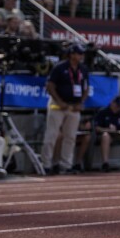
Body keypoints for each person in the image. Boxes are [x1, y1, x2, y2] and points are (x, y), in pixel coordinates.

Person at [43, 43, 90, 174]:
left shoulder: (83, 69)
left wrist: (81, 102)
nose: (81, 56)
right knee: (52, 134)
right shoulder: (60, 67)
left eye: (82, 54)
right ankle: (46, 164)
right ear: (72, 54)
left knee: (70, 137)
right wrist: (59, 101)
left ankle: (66, 165)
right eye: (79, 53)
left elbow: (86, 88)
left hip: (74, 106)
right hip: (58, 105)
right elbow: (50, 85)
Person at [82, 95, 120, 172]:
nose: (118, 108)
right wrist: (107, 130)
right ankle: (105, 163)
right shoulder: (103, 112)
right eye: (117, 105)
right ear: (112, 103)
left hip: (118, 134)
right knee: (105, 136)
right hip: (106, 135)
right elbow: (96, 128)